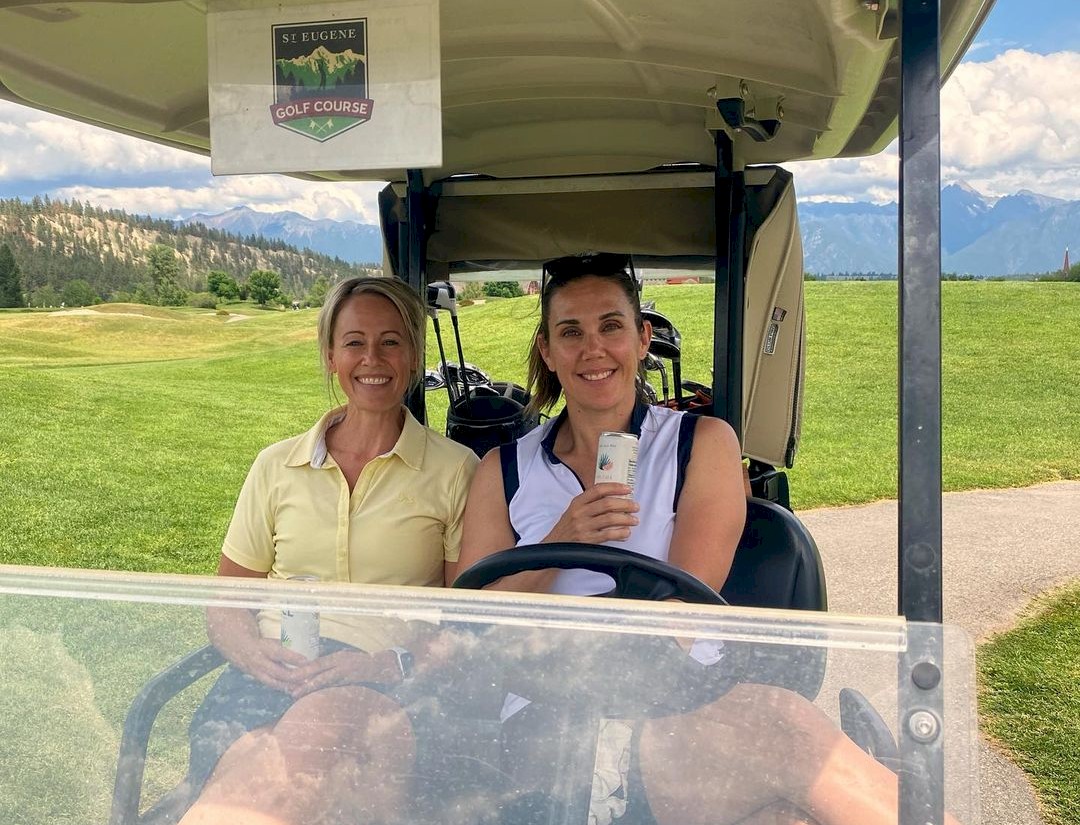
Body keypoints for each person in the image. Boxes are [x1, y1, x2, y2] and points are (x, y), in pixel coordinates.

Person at [458, 253, 954, 825]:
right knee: (784, 738)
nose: (592, 349)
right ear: (547, 349)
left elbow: (686, 605)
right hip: (542, 708)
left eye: (611, 327)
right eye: (570, 332)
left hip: (675, 691)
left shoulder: (702, 443)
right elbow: (471, 619)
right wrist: (561, 536)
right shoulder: (504, 469)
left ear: (643, 339)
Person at [180, 276, 479, 825]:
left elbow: (466, 624)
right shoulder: (276, 465)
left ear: (413, 355)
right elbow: (226, 601)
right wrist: (252, 655)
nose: (373, 358)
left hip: (387, 677)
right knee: (251, 768)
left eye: (391, 341)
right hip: (267, 675)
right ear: (331, 356)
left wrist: (384, 664)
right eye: (354, 342)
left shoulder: (456, 470)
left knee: (285, 776)